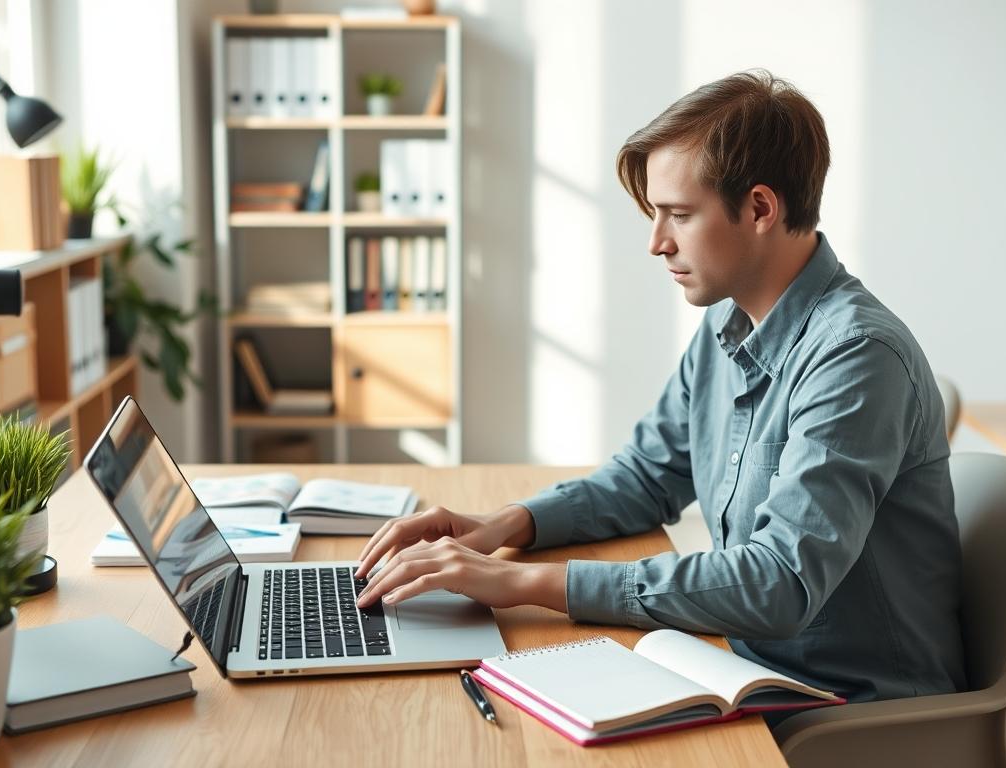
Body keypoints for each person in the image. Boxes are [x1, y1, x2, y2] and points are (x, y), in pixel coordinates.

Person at [356, 70, 966, 707]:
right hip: (737, 663)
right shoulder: (727, 324)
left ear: (760, 208)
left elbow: (780, 583)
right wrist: (502, 526)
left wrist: (523, 581)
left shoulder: (856, 355)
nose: (657, 243)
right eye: (655, 214)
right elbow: (647, 476)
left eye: (678, 214)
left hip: (846, 706)